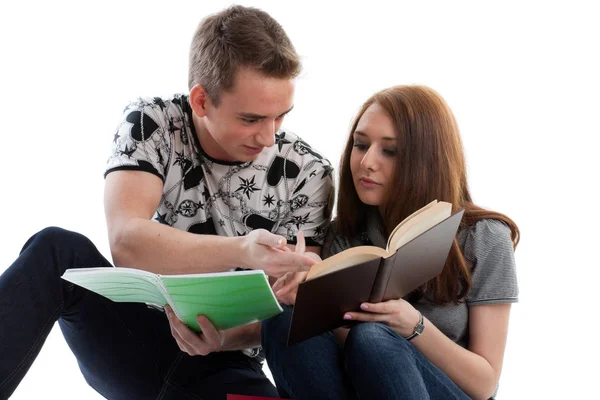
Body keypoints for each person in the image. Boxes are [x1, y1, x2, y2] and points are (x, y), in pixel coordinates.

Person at [0, 5, 333, 400]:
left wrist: (222, 337)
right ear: (201, 100)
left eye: (281, 116)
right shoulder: (152, 123)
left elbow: (291, 309)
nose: (268, 137)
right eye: (251, 119)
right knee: (55, 249)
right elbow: (127, 243)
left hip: (225, 365)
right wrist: (245, 250)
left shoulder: (310, 171)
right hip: (132, 336)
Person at [262, 85, 520, 400]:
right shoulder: (341, 237)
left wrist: (415, 326)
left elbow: (484, 385)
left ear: (427, 160)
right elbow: (341, 358)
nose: (367, 162)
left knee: (375, 339)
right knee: (283, 321)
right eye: (360, 144)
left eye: (390, 150)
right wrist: (311, 300)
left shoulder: (485, 237)